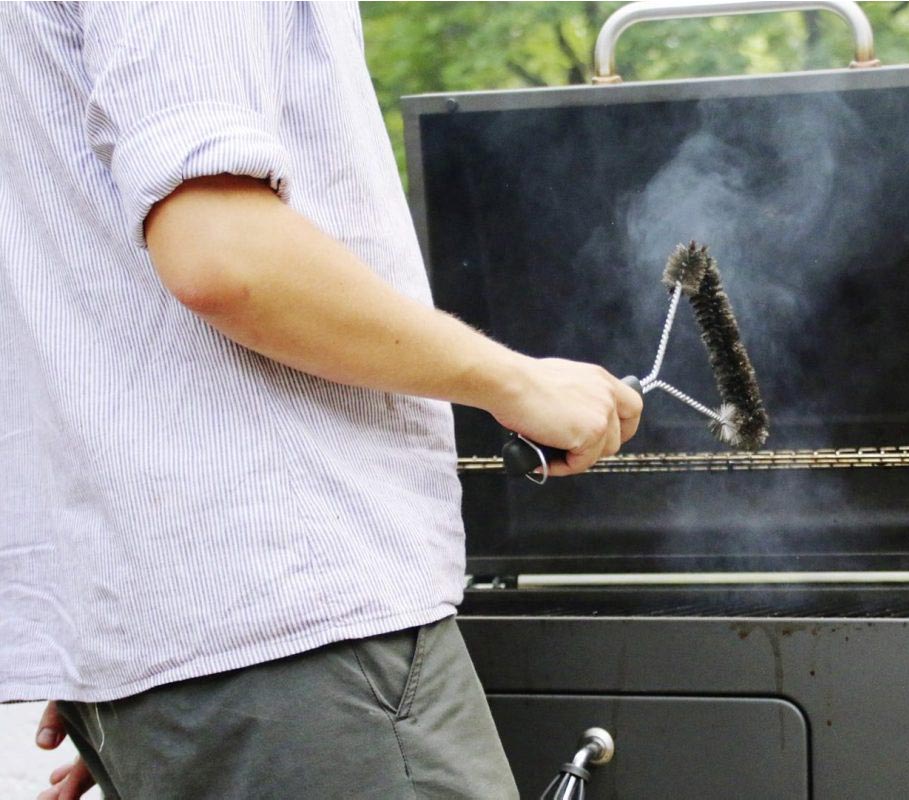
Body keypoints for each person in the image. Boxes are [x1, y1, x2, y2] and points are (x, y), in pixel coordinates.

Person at [2, 3, 642, 799]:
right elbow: (225, 255)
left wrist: (167, 682)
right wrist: (518, 382)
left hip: (196, 652)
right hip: (293, 619)